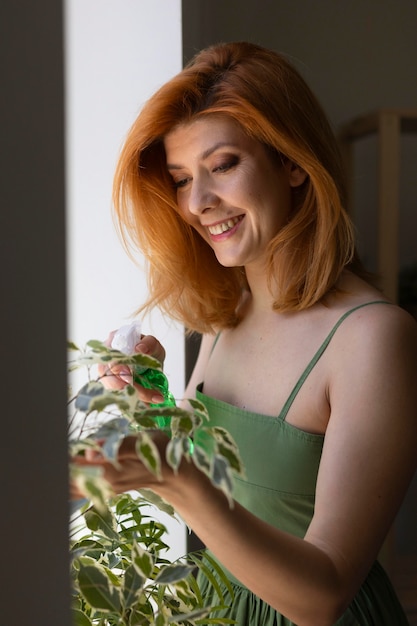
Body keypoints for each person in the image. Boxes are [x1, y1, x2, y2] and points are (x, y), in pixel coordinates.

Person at [74, 42, 417, 625]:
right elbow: (224, 500)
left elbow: (323, 596)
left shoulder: (374, 338)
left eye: (224, 165)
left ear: (292, 162)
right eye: (181, 180)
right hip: (222, 608)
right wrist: (155, 411)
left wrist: (173, 472)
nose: (199, 203)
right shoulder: (230, 310)